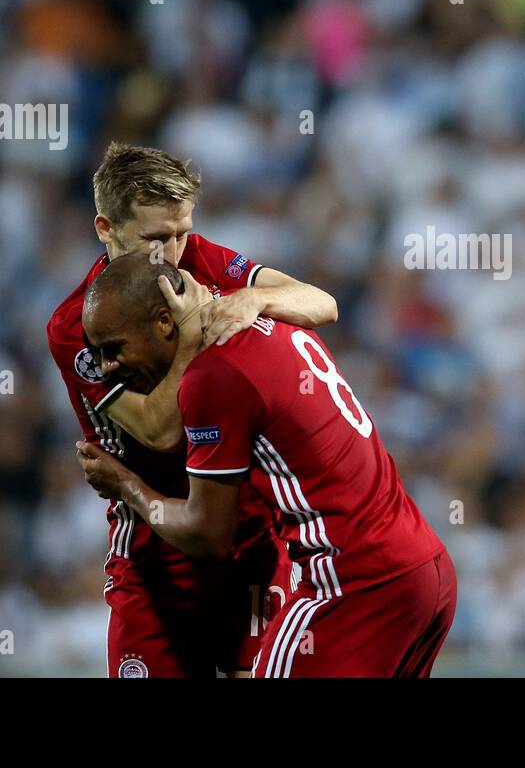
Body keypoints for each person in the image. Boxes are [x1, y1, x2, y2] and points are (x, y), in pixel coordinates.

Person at [77, 256, 457, 677]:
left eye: (115, 348)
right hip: (425, 570)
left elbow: (207, 533)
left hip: (351, 584)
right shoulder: (277, 323)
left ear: (165, 321)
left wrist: (126, 485)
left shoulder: (211, 376)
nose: (108, 367)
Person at [46, 142, 338, 677]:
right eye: (157, 239)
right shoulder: (78, 327)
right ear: (106, 228)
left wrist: (254, 299)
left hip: (250, 545)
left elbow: (323, 303)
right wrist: (191, 339)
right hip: (155, 551)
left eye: (182, 231)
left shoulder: (200, 257)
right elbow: (158, 430)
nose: (175, 253)